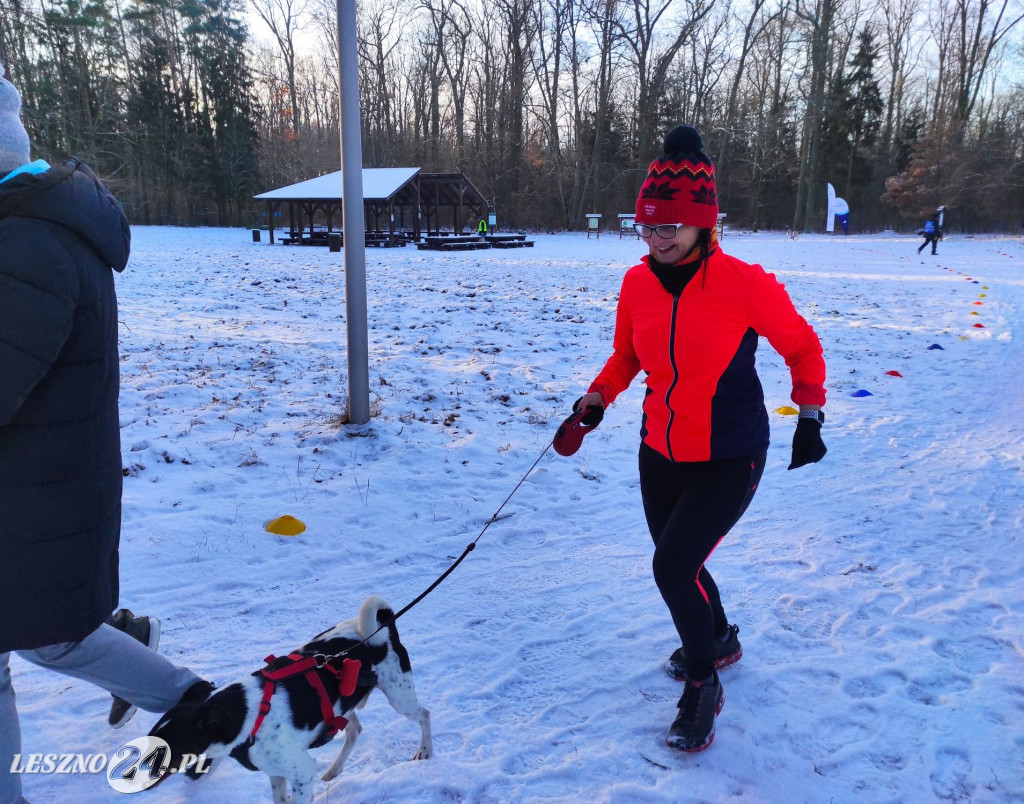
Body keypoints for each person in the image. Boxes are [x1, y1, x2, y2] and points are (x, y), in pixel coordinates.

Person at [565, 125, 827, 753]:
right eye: (647, 229)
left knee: (672, 564)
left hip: (732, 452)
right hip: (659, 449)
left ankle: (704, 683)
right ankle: (722, 638)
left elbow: (802, 345)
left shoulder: (744, 283)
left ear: (703, 225)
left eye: (669, 229)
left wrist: (811, 415)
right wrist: (598, 396)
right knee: (684, 563)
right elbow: (627, 355)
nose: (656, 241)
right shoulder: (637, 284)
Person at [0, 64, 210, 804]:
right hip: (38, 489)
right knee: (52, 633)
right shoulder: (30, 229)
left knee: (47, 633)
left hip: (36, 493)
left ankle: (191, 702)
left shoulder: (26, 244)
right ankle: (190, 701)